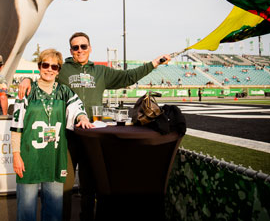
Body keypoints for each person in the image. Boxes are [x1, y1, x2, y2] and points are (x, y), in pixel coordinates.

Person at [18, 32, 171, 221]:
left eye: (83, 46)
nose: (80, 50)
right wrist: (26, 79)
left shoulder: (101, 72)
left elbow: (128, 77)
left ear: (90, 48)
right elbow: (45, 75)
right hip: (67, 135)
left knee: (89, 186)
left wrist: (153, 64)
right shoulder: (62, 68)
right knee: (63, 184)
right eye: (75, 47)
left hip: (91, 135)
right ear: (71, 50)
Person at [11, 49, 93, 221]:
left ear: (58, 70)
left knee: (54, 211)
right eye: (45, 65)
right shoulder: (27, 90)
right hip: (29, 156)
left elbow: (77, 108)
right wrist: (16, 155)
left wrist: (82, 116)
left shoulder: (64, 91)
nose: (49, 69)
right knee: (26, 210)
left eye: (54, 66)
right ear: (39, 66)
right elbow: (16, 127)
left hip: (55, 157)